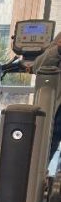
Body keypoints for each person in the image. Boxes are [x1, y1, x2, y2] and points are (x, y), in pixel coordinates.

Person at [28, 31, 61, 161]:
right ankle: (39, 177)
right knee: (43, 152)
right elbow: (37, 67)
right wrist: (57, 50)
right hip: (57, 109)